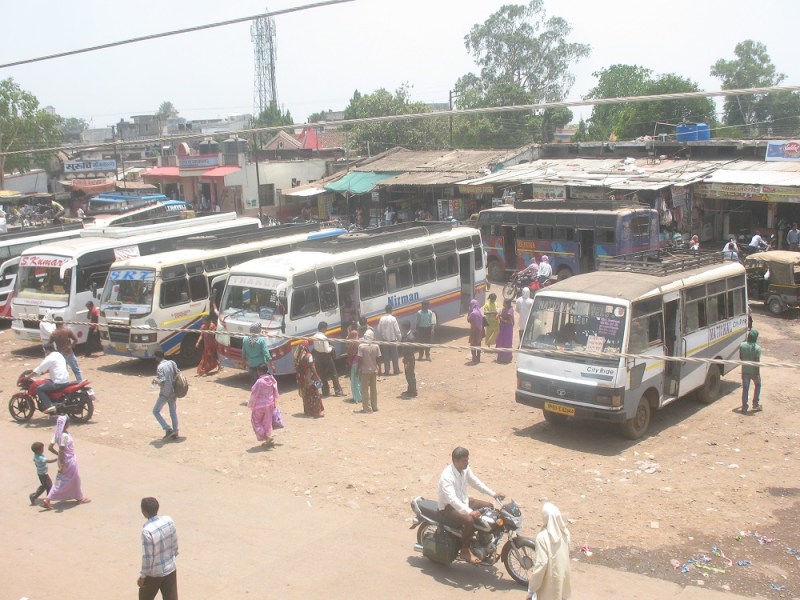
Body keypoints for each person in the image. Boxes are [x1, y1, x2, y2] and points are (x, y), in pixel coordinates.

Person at [437, 447, 503, 565]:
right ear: (455, 461)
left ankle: (483, 540)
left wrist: (493, 494)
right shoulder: (447, 476)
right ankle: (465, 550)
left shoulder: (465, 469)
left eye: (467, 459)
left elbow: (475, 482)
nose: (467, 462)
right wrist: (469, 511)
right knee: (469, 520)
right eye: (464, 461)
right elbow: (452, 499)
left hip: (463, 501)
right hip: (448, 507)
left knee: (489, 507)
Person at [527, 502, 572, 600]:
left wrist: (532, 588)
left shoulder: (542, 537)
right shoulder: (565, 533)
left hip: (549, 583)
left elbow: (541, 564)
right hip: (563, 578)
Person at [42, 416, 90, 509]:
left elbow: (50, 447)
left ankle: (48, 499)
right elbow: (62, 449)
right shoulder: (64, 435)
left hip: (62, 461)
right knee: (74, 479)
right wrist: (62, 462)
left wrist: (58, 456)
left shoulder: (57, 434)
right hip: (68, 461)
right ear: (65, 424)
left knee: (61, 480)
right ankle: (79, 498)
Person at [138, 497, 179, 600]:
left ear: (144, 512)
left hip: (154, 574)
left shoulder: (147, 531)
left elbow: (148, 557)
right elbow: (175, 543)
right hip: (170, 568)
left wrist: (143, 576)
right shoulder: (168, 521)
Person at [32, 343, 71, 415]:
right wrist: (44, 372)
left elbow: (40, 368)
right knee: (48, 382)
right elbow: (55, 367)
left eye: (44, 351)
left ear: (47, 350)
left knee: (39, 389)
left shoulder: (50, 357)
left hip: (58, 383)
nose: (44, 353)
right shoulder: (59, 355)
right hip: (66, 381)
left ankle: (50, 406)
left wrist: (28, 376)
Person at [248, 363, 279, 447]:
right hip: (270, 404)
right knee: (267, 422)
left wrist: (250, 404)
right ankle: (268, 438)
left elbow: (254, 393)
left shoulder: (259, 382)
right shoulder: (272, 379)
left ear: (259, 371)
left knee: (255, 421)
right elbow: (275, 391)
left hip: (259, 406)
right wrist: (274, 402)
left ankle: (266, 436)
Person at [152, 350, 179, 439]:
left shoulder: (160, 367)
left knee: (155, 411)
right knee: (173, 412)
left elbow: (163, 380)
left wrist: (156, 381)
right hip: (173, 391)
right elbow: (177, 373)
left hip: (165, 393)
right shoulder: (171, 363)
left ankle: (167, 429)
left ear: (157, 357)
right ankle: (175, 431)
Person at [312, 321, 343, 397]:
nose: (326, 329)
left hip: (318, 357)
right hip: (326, 357)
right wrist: (331, 348)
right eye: (326, 328)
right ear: (323, 328)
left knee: (322, 375)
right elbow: (326, 350)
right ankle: (338, 391)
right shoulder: (324, 337)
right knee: (333, 374)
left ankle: (325, 392)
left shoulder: (314, 336)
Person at [294, 341, 325, 417]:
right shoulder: (309, 356)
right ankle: (317, 412)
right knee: (316, 394)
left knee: (307, 395)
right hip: (311, 378)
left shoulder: (298, 357)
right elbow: (312, 367)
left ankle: (308, 411)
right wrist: (317, 377)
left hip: (303, 379)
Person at [49, 316, 82, 381]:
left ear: (55, 323)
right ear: (62, 322)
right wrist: (72, 346)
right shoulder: (67, 330)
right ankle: (80, 383)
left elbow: (49, 343)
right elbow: (75, 339)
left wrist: (54, 352)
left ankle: (66, 383)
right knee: (76, 371)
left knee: (64, 371)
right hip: (69, 352)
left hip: (60, 354)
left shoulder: (53, 333)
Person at [356, 330, 381, 413]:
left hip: (364, 371)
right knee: (373, 389)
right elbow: (378, 358)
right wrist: (380, 369)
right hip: (373, 370)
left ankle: (367, 408)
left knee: (364, 389)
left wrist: (357, 369)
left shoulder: (361, 346)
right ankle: (375, 407)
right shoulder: (376, 345)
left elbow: (360, 359)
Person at [739, 328, 762, 414]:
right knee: (758, 385)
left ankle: (744, 407)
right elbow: (757, 362)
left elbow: (741, 357)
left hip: (745, 371)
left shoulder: (742, 345)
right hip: (754, 372)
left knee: (745, 389)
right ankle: (755, 404)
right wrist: (757, 374)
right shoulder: (757, 348)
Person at [377, 304, 402, 376]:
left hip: (385, 340)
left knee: (386, 356)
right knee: (395, 356)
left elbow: (378, 329)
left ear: (385, 310)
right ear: (391, 310)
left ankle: (387, 371)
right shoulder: (393, 319)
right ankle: (396, 370)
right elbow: (397, 331)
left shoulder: (382, 319)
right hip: (393, 340)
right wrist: (399, 339)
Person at [29, 441, 56, 506]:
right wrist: (57, 459)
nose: (43, 450)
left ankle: (45, 499)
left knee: (46, 486)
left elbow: (34, 461)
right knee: (48, 486)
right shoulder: (40, 458)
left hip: (41, 473)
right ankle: (38, 497)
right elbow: (48, 461)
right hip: (43, 474)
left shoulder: (36, 455)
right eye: (42, 449)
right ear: (38, 450)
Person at [400, 321, 418, 398]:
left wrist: (407, 361)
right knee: (408, 374)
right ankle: (410, 389)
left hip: (409, 359)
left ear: (405, 327)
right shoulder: (407, 336)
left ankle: (413, 391)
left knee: (410, 375)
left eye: (402, 327)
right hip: (407, 359)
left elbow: (410, 351)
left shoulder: (410, 338)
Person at [346, 323, 362, 405]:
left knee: (354, 381)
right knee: (359, 380)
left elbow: (349, 352)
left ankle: (357, 397)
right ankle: (360, 396)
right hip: (359, 362)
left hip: (354, 363)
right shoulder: (359, 342)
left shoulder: (352, 343)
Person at [496, 298, 515, 364]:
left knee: (506, 343)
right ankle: (500, 357)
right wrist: (498, 315)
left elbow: (511, 322)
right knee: (501, 342)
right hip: (502, 329)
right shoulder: (504, 309)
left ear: (507, 304)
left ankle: (506, 358)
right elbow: (499, 315)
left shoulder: (509, 311)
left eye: (504, 302)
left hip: (507, 330)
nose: (503, 303)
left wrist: (502, 320)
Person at [466, 299, 484, 364]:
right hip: (480, 330)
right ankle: (478, 358)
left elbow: (468, 320)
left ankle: (474, 359)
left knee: (472, 345)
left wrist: (469, 312)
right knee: (478, 344)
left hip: (474, 330)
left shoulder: (473, 313)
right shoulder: (479, 312)